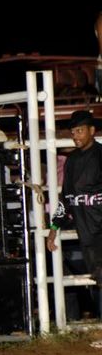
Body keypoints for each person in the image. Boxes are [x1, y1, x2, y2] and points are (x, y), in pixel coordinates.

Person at [47, 110, 102, 314]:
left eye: (80, 131)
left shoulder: (99, 155)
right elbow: (66, 198)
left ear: (92, 131)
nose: (75, 135)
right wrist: (54, 228)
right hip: (87, 232)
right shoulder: (71, 162)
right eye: (73, 132)